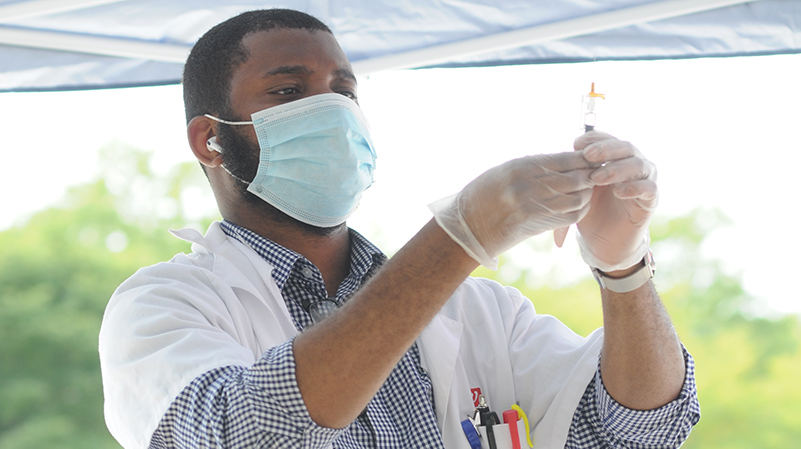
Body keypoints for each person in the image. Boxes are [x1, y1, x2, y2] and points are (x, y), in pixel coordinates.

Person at [99, 8, 700, 449]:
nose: (333, 110)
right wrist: (463, 234)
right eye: (289, 91)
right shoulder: (162, 308)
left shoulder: (480, 311)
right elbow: (239, 434)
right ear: (210, 139)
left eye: (344, 91)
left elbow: (641, 429)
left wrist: (623, 267)